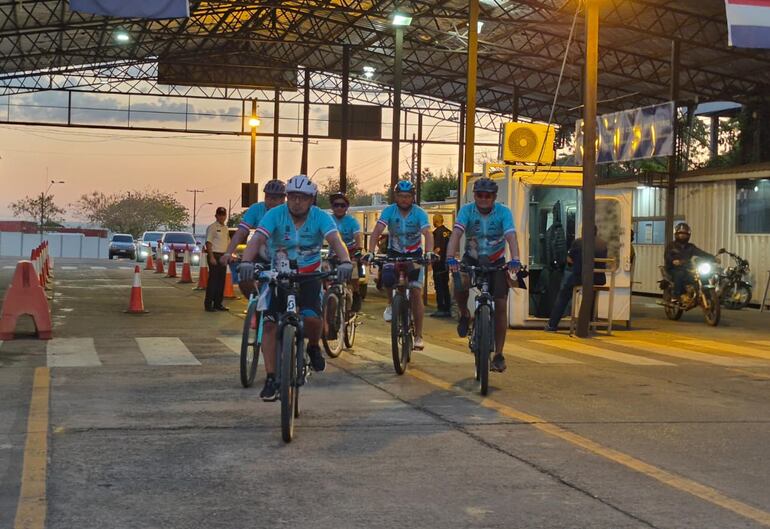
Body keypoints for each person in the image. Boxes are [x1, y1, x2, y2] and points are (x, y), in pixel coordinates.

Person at [238, 175, 353, 401]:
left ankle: (312, 346)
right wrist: (246, 262)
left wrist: (346, 262)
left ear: (312, 200)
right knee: (269, 325)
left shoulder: (321, 217)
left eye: (302, 198)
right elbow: (257, 240)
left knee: (312, 319)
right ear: (287, 198)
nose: (297, 202)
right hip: (278, 275)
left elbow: (335, 240)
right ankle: (271, 377)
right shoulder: (274, 215)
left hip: (309, 275)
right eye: (292, 197)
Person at [445, 178, 521, 373]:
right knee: (459, 283)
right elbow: (456, 234)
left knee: (501, 304)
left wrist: (516, 258)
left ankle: (499, 354)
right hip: (472, 259)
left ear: (495, 197)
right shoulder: (467, 211)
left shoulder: (504, 212)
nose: (484, 199)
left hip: (496, 262)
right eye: (480, 195)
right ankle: (464, 313)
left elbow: (511, 236)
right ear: (474, 195)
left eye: (488, 196)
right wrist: (450, 257)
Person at [365, 180, 434, 350]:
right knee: (388, 277)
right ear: (396, 196)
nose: (404, 200)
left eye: (407, 196)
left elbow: (427, 233)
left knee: (416, 292)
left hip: (414, 254)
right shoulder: (389, 211)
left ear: (413, 197)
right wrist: (371, 251)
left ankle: (418, 335)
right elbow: (377, 232)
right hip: (394, 253)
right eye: (401, 196)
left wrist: (429, 252)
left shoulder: (419, 213)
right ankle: (391, 304)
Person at [220, 179, 286, 295]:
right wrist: (228, 253)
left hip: (284, 254)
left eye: (274, 198)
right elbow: (241, 232)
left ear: (283, 199)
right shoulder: (256, 209)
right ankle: (255, 302)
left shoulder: (289, 212)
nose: (269, 201)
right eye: (267, 197)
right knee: (245, 278)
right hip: (261, 253)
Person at [544, 226, 607, 332]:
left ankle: (552, 324)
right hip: (599, 279)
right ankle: (589, 322)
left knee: (564, 294)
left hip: (581, 278)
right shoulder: (602, 244)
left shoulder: (579, 242)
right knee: (591, 294)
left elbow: (569, 260)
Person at [329, 192, 364, 312]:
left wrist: (359, 250)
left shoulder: (352, 221)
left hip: (351, 251)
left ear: (347, 207)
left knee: (353, 268)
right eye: (336, 205)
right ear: (332, 207)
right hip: (333, 253)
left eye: (342, 205)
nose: (339, 208)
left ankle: (356, 293)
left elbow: (358, 235)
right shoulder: (328, 219)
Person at [664, 222, 712, 304]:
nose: (682, 235)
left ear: (688, 235)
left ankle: (707, 296)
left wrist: (713, 258)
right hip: (673, 269)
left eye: (684, 234)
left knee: (702, 275)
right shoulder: (671, 245)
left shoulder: (691, 247)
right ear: (676, 234)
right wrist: (673, 260)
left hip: (686, 268)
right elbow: (667, 256)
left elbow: (701, 253)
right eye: (680, 233)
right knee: (680, 274)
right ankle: (676, 296)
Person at [204, 207, 230, 312]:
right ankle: (208, 304)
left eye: (223, 215)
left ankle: (218, 304)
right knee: (213, 282)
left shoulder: (226, 228)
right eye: (220, 215)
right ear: (216, 216)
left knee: (221, 281)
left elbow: (228, 242)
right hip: (215, 255)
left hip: (223, 256)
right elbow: (208, 243)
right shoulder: (212, 227)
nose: (222, 217)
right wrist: (211, 257)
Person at [430, 213, 452, 318]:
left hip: (439, 264)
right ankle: (447, 308)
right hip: (447, 263)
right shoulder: (449, 232)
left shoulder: (437, 233)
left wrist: (431, 260)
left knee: (439, 286)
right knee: (445, 285)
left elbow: (437, 249)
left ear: (435, 221)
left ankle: (441, 308)